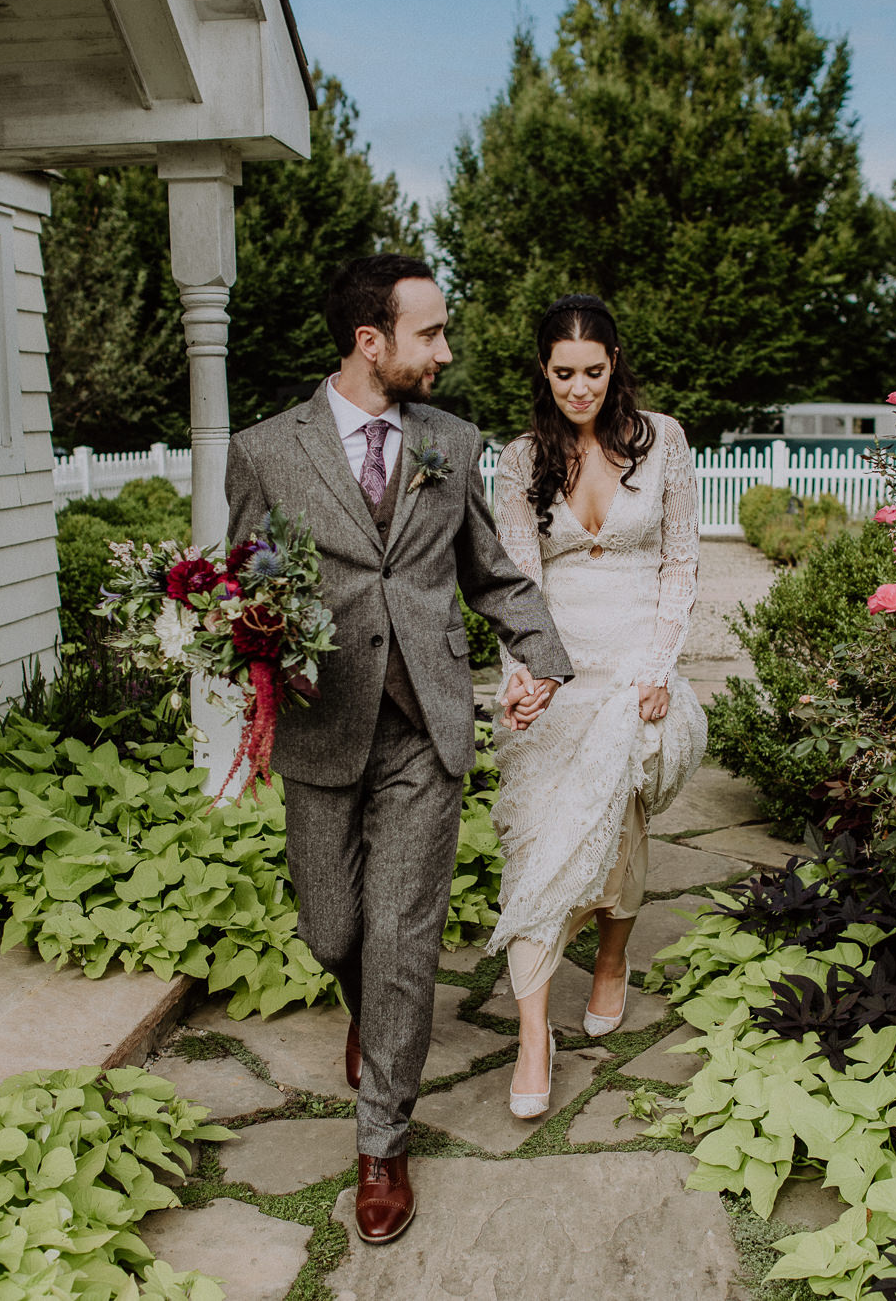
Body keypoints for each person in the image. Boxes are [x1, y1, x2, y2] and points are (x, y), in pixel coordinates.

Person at [223, 255, 571, 1245]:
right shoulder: (265, 450)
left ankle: (382, 1141)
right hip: (323, 721)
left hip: (425, 723)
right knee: (333, 930)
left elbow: (490, 573)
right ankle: (370, 1013)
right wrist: (240, 626)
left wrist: (541, 655)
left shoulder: (451, 444)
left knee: (404, 939)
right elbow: (246, 576)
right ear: (370, 342)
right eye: (430, 333)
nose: (447, 350)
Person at [486, 294, 706, 1116]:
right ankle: (533, 1033)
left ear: (615, 363)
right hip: (556, 668)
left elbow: (681, 562)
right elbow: (519, 580)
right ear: (544, 372)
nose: (579, 388)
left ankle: (612, 958)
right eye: (563, 373)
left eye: (594, 370)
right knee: (539, 844)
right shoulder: (519, 460)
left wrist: (658, 666)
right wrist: (527, 674)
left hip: (634, 671)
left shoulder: (664, 440)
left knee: (619, 826)